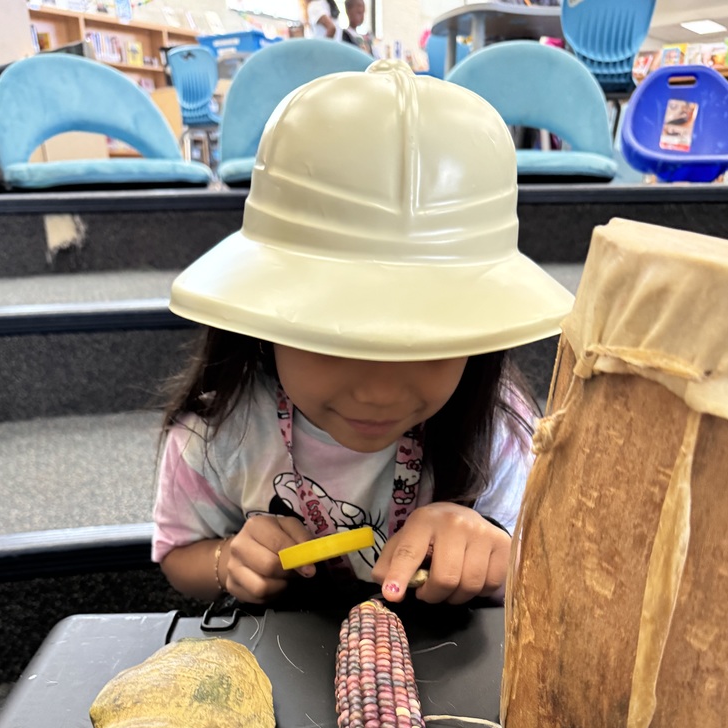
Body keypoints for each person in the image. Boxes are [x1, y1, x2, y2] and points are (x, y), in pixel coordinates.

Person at [153, 60, 573, 607]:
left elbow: (552, 577)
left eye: (431, 343)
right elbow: (178, 556)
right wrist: (227, 558)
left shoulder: (502, 430)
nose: (379, 392)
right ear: (263, 317)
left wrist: (497, 554)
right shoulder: (216, 435)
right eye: (335, 341)